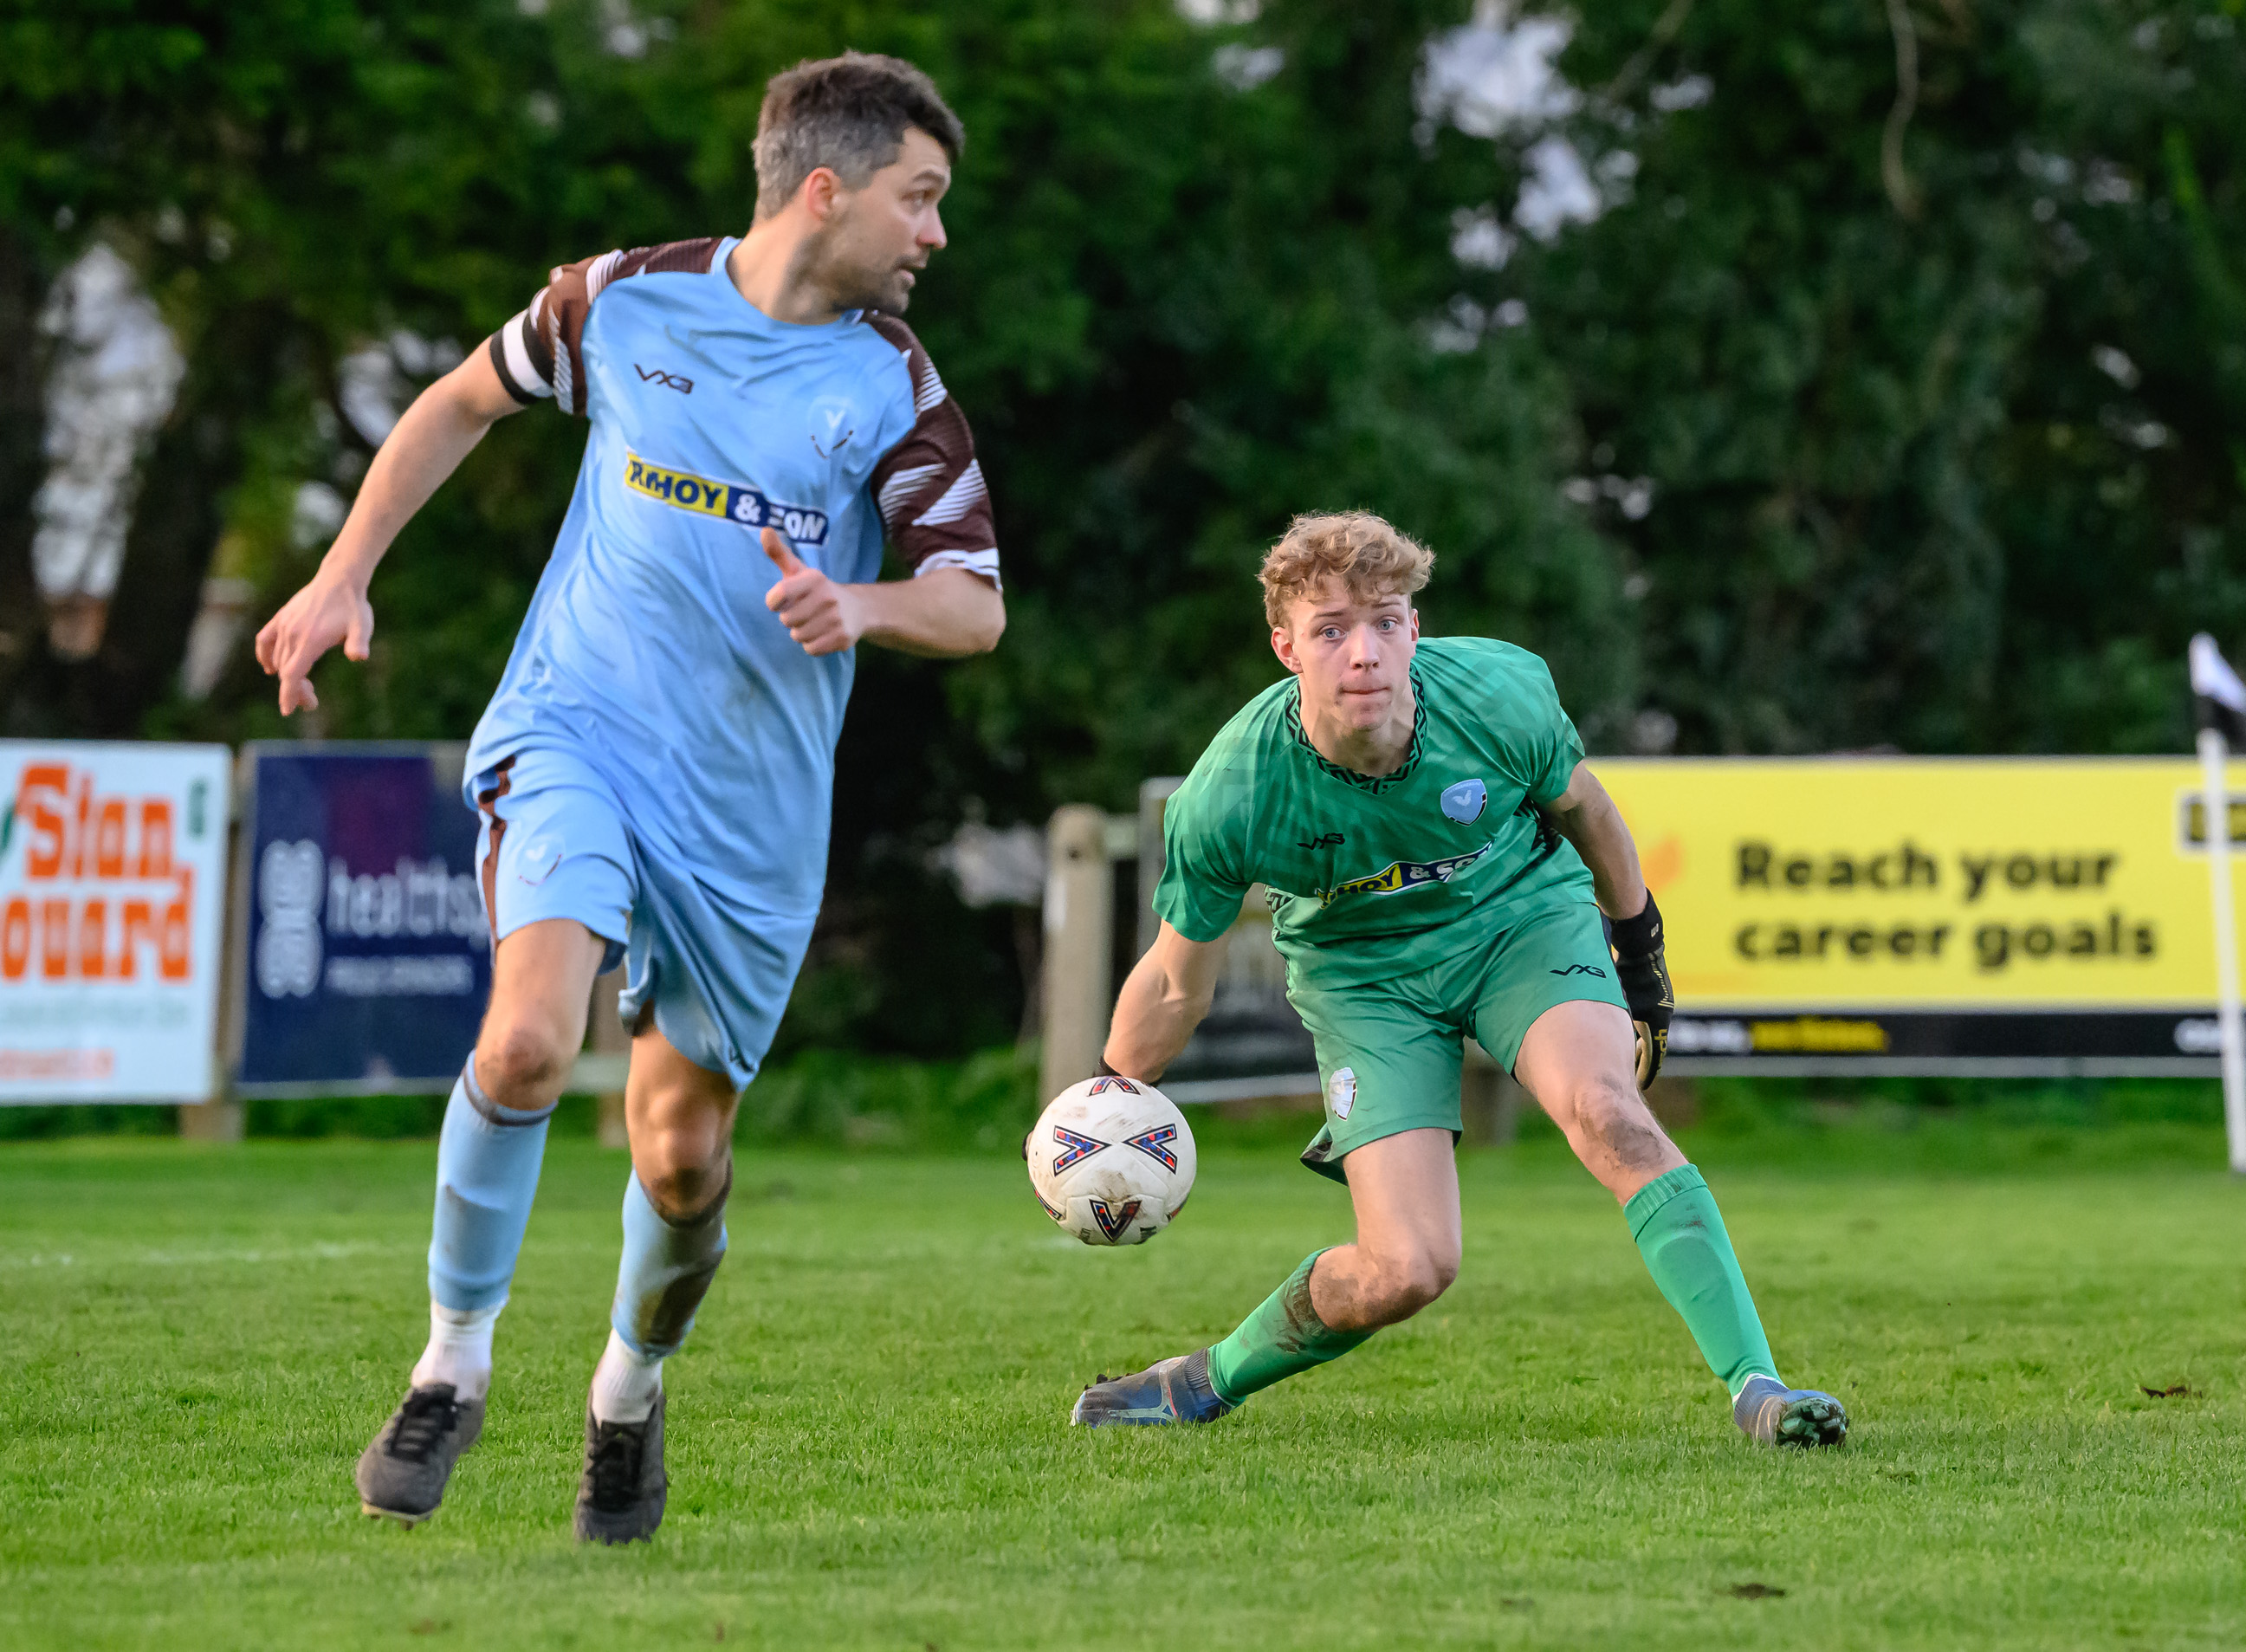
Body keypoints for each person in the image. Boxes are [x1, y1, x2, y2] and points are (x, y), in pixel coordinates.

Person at [252, 52, 1006, 1543]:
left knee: (682, 1152)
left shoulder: (897, 389)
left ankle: (626, 1390)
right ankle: (450, 1366)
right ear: (825, 189)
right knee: (527, 1040)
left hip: (751, 818)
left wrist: (862, 605)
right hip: (576, 734)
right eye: (919, 199)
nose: (934, 234)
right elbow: (459, 400)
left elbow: (973, 606)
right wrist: (343, 572)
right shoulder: (622, 299)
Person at [1071, 512, 1847, 1448]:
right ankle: (1203, 1380)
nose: (1364, 651)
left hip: (1520, 919)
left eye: (1384, 620)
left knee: (1608, 1110)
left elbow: (1590, 813)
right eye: (1331, 629)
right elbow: (1172, 984)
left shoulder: (1498, 692)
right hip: (1362, 976)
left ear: (1414, 627)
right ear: (1286, 648)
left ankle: (1759, 1388)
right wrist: (1103, 1105)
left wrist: (1641, 960)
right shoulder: (1232, 791)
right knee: (1407, 1267)